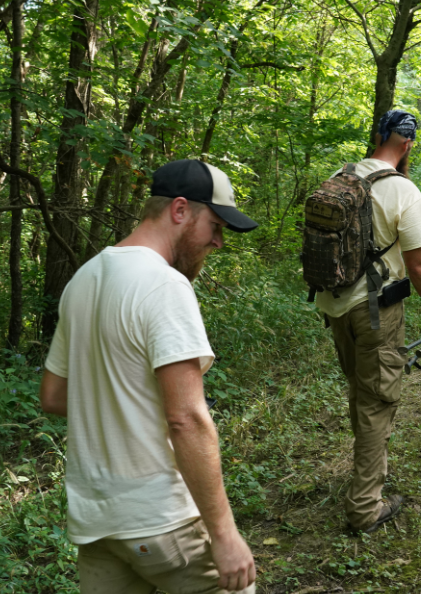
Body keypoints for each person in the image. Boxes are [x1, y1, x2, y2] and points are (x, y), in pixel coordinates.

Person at [40, 159, 259, 594]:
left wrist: (125, 401)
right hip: (161, 521)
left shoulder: (83, 280)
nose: (217, 242)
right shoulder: (164, 285)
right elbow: (187, 419)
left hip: (97, 524)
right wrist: (224, 535)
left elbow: (54, 396)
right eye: (214, 226)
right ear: (180, 210)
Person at [315, 110, 421, 534]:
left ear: (376, 136)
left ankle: (366, 471)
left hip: (334, 305)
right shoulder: (401, 190)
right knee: (378, 401)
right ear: (408, 143)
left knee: (362, 389)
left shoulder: (341, 175)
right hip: (377, 310)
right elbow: (419, 265)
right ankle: (365, 507)